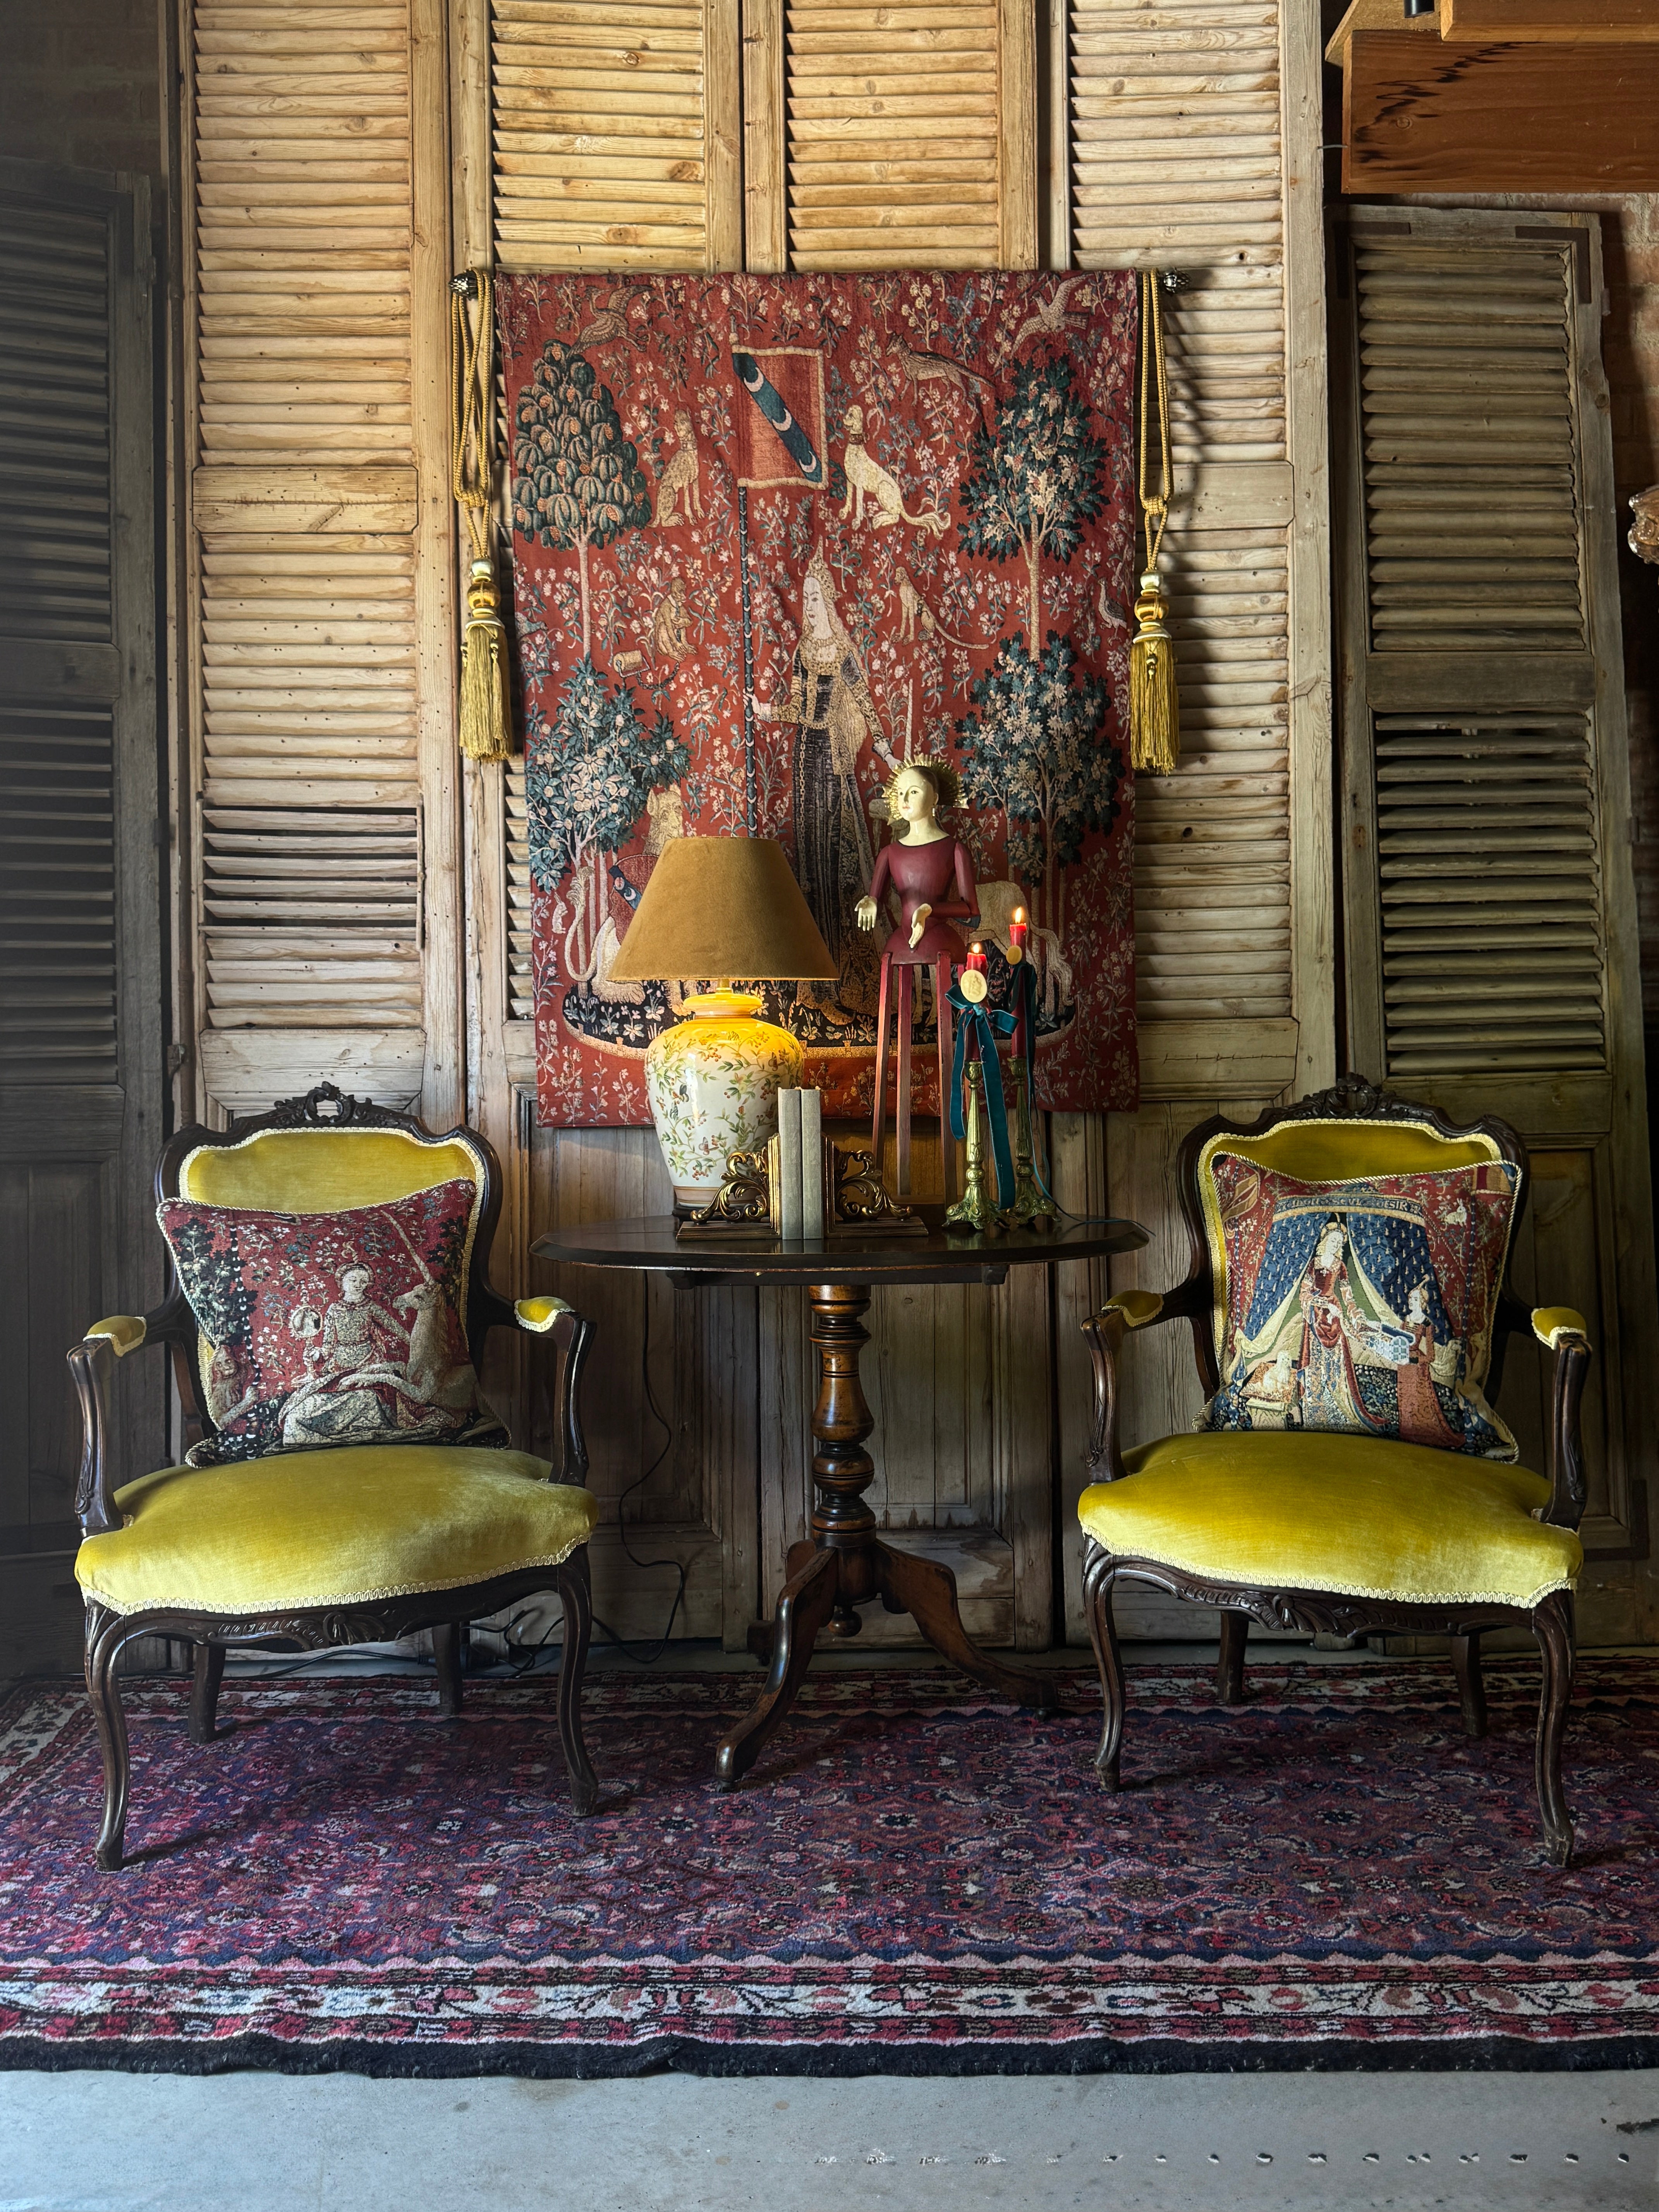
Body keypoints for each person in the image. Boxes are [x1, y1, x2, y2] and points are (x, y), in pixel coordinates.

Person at [751, 547, 879, 1022]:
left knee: (833, 871)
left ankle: (842, 981)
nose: (808, 605)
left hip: (833, 764)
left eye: (814, 597)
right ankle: (816, 988)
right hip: (805, 761)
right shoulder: (804, 651)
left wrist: (883, 746)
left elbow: (862, 703)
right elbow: (804, 710)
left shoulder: (841, 653)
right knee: (809, 870)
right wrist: (771, 712)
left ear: (828, 599)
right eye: (803, 597)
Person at [855, 757, 975, 964]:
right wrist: (871, 901)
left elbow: (971, 909)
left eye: (914, 792)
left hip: (941, 941)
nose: (905, 800)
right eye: (901, 793)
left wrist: (929, 910)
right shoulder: (889, 852)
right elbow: (876, 897)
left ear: (935, 799)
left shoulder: (954, 849)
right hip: (900, 943)